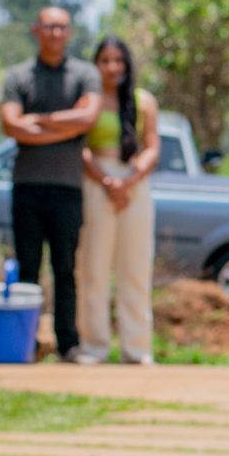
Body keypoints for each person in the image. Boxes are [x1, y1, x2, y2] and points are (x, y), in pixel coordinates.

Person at [0, 7, 101, 360]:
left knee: (65, 268)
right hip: (27, 186)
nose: (55, 33)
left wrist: (38, 124)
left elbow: (88, 117)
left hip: (68, 188)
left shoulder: (85, 75)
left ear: (69, 32)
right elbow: (12, 126)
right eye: (49, 27)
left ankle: (67, 343)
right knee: (28, 267)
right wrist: (64, 129)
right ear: (36, 30)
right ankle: (25, 343)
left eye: (61, 27)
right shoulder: (18, 76)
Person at [73, 36, 160, 366]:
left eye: (118, 60)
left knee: (135, 268)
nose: (112, 67)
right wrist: (105, 180)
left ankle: (136, 348)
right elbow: (78, 147)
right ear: (96, 65)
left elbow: (151, 147)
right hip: (97, 181)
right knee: (93, 267)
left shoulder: (144, 102)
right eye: (105, 60)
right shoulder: (88, 101)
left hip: (134, 182)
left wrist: (129, 180)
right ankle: (94, 346)